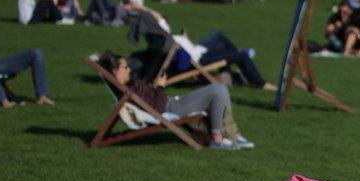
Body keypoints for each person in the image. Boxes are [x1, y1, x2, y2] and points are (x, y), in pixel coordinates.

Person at [96, 50, 253, 150]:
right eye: (125, 67)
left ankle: (230, 134)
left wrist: (156, 85)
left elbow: (151, 99)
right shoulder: (129, 91)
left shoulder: (130, 85)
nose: (129, 69)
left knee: (219, 89)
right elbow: (157, 109)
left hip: (172, 104)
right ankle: (219, 137)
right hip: (171, 109)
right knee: (219, 89)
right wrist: (160, 87)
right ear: (115, 71)